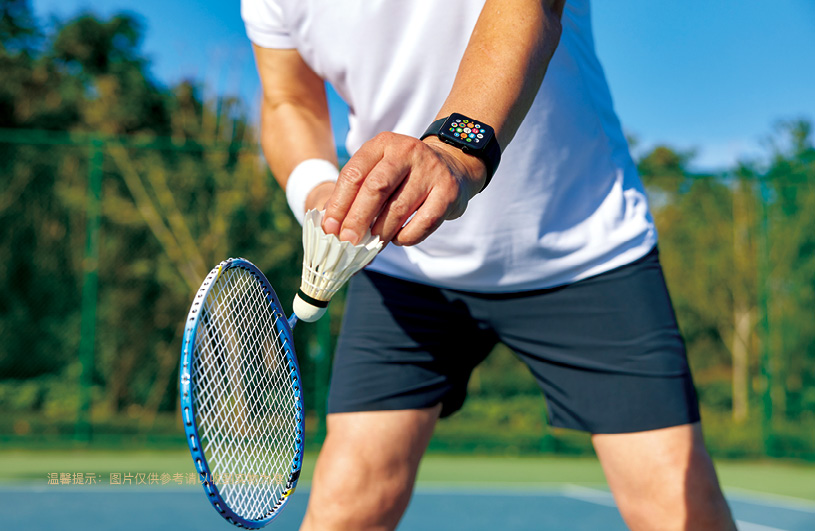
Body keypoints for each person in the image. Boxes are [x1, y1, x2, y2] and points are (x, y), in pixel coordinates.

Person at [241, 0, 736, 529]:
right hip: (404, 269)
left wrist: (456, 150)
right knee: (346, 508)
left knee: (679, 514)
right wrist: (320, 192)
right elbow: (289, 101)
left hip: (583, 250)